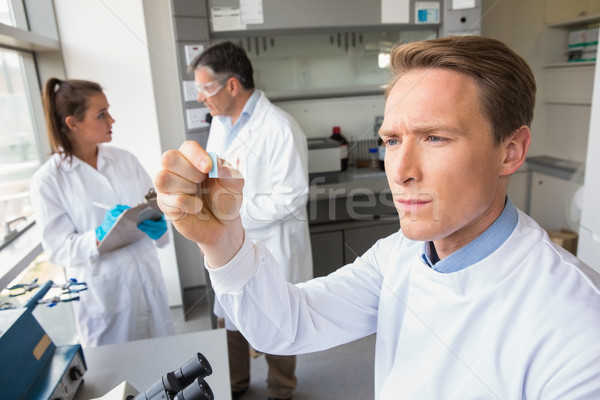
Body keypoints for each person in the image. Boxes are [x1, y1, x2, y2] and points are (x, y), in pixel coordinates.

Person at [155, 36, 600, 399]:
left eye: (436, 138)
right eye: (390, 140)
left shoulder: (577, 326)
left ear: (511, 151)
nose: (402, 171)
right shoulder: (397, 257)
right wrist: (222, 240)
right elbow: (287, 326)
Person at [187, 40, 312, 400]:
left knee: (277, 319)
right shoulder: (220, 124)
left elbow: (290, 198)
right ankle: (237, 384)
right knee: (231, 316)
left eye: (204, 88)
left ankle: (281, 389)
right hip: (229, 245)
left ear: (231, 85)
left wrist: (229, 215)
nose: (200, 98)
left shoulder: (280, 128)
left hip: (271, 245)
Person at [30, 78, 173, 347]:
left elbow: (155, 203)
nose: (112, 120)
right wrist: (97, 236)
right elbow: (57, 249)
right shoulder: (48, 180)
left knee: (164, 363)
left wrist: (161, 223)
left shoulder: (125, 159)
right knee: (116, 379)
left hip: (146, 278)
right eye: (101, 114)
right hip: (105, 296)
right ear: (73, 123)